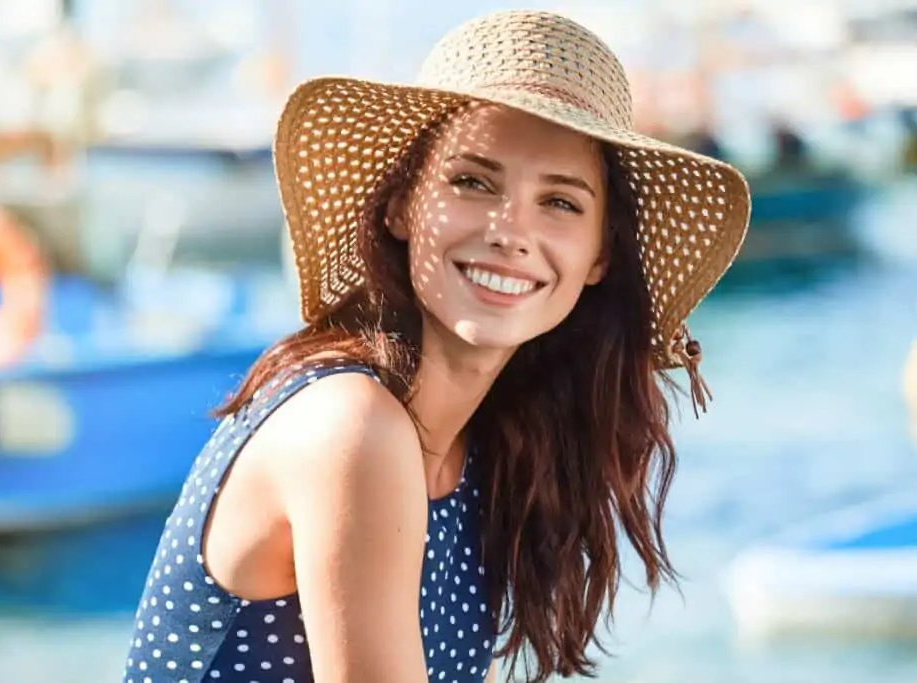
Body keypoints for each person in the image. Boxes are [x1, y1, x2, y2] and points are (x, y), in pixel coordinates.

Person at [122, 9, 751, 683]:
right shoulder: (351, 423)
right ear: (401, 207)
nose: (511, 231)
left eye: (561, 203)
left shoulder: (485, 447)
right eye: (473, 182)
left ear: (600, 255)